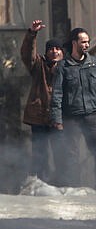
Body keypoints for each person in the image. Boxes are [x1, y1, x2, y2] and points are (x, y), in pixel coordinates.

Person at [51, 28, 96, 193]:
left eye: (88, 41)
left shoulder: (93, 63)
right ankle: (75, 190)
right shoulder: (63, 67)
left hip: (90, 116)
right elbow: (57, 94)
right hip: (71, 117)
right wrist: (57, 119)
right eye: (83, 42)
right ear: (74, 43)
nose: (87, 44)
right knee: (72, 156)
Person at [21, 20, 64, 183]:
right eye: (51, 49)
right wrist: (32, 34)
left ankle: (62, 184)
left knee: (61, 154)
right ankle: (41, 184)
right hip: (39, 118)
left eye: (58, 48)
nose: (54, 51)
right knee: (40, 153)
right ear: (46, 52)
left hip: (59, 120)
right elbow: (27, 54)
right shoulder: (38, 65)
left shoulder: (68, 69)